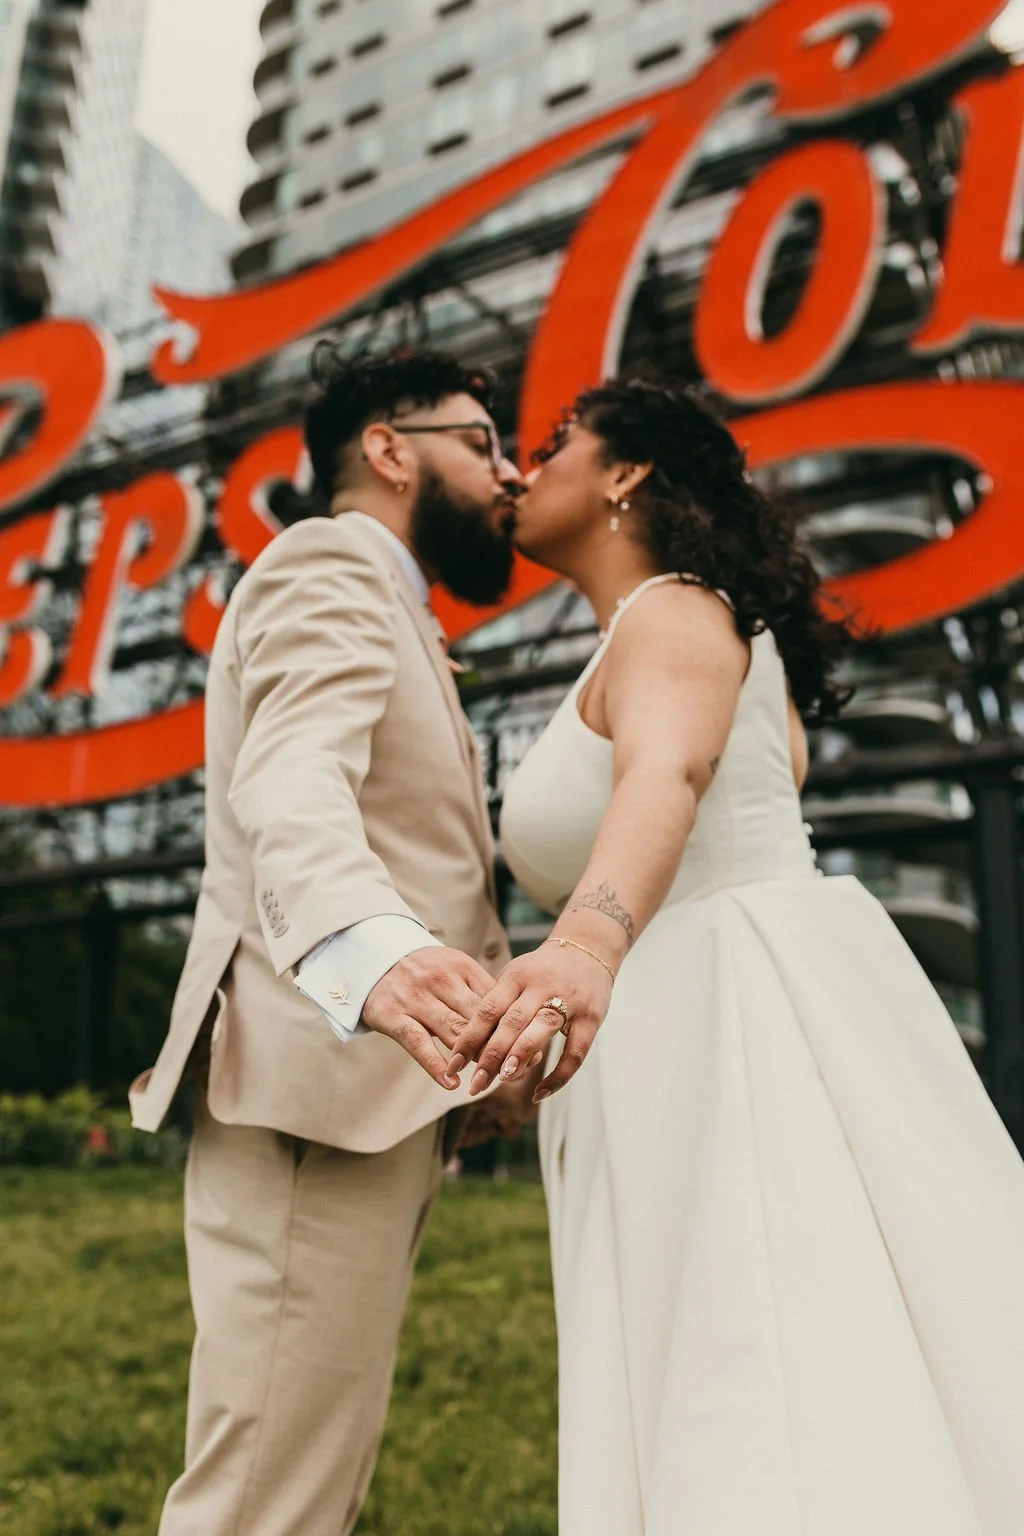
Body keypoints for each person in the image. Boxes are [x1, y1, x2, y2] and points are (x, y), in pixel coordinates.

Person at [449, 378, 1024, 1535]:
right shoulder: (662, 627)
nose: (522, 468)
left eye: (555, 445)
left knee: (757, 1360)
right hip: (666, 1024)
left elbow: (669, 776)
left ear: (624, 477)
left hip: (726, 1021)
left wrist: (581, 956)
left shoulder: (672, 611)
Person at [129, 348, 523, 1536]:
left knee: (310, 1482)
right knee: (266, 1502)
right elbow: (295, 775)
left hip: (370, 1093)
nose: (508, 476)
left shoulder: (400, 606)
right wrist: (371, 947)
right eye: (482, 442)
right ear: (391, 449)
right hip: (316, 1082)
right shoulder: (331, 560)